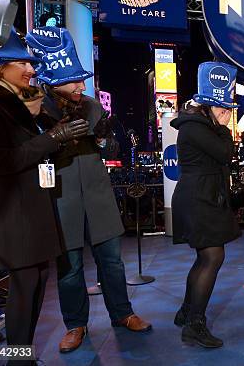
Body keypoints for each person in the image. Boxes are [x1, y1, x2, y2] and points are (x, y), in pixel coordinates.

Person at [25, 27, 151, 354]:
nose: (82, 86)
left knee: (112, 261)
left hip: (98, 195)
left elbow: (112, 148)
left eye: (81, 79)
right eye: (74, 80)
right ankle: (75, 324)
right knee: (70, 268)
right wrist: (56, 138)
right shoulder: (37, 111)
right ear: (52, 80)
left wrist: (108, 142)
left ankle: (122, 313)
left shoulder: (93, 106)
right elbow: (28, 154)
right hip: (61, 196)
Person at [0, 30, 88, 359]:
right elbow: (2, 161)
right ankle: (20, 358)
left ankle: (24, 355)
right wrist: (53, 137)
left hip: (31, 207)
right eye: (22, 62)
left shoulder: (17, 101)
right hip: (11, 212)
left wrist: (55, 134)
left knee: (37, 280)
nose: (31, 69)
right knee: (25, 285)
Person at [171, 61, 242, 348]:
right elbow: (225, 153)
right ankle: (194, 324)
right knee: (213, 258)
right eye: (222, 108)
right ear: (207, 105)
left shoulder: (199, 124)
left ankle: (187, 312)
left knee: (205, 258)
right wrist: (225, 128)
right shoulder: (196, 126)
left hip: (202, 196)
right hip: (198, 199)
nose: (226, 113)